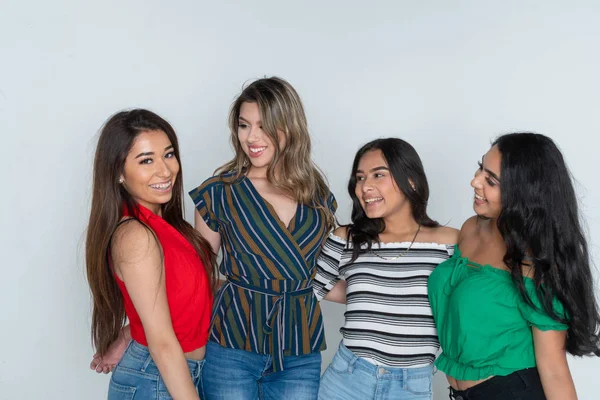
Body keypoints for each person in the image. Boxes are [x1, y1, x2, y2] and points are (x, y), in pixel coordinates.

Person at [190, 77, 337, 399]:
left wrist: (396, 300)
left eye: (263, 126)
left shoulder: (318, 197)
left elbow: (324, 278)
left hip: (300, 348)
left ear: (290, 127)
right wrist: (136, 332)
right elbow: (198, 278)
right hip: (232, 344)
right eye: (244, 126)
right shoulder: (219, 193)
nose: (252, 137)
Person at [428, 132, 600, 400]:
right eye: (480, 168)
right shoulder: (471, 228)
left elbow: (554, 370)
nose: (474, 181)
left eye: (491, 180)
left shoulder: (535, 264)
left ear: (524, 194)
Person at [313, 138, 458, 400]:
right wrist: (365, 295)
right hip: (347, 379)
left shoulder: (450, 242)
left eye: (378, 175)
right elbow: (311, 287)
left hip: (411, 386)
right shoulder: (346, 237)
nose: (364, 187)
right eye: (359, 178)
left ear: (411, 181)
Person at [86, 109, 216, 399]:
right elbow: (162, 342)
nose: (165, 170)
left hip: (175, 373)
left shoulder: (167, 228)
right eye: (146, 160)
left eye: (168, 155)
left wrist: (129, 330)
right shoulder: (136, 236)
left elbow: (180, 300)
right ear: (118, 172)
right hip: (156, 377)